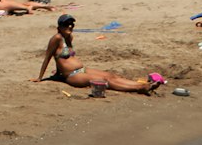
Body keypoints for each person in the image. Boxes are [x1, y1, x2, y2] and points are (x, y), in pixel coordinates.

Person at [35, 15, 163, 94]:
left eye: (71, 24)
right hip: (72, 76)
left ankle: (142, 84)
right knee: (104, 81)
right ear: (59, 27)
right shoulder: (56, 38)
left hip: (82, 70)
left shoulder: (69, 38)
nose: (70, 26)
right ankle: (140, 88)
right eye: (66, 25)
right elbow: (48, 57)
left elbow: (62, 61)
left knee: (110, 75)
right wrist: (40, 78)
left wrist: (58, 73)